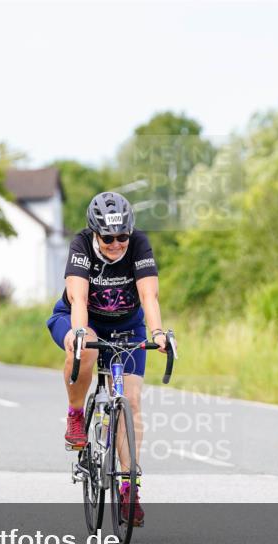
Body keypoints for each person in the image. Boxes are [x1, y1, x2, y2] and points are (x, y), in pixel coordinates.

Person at [45, 192, 168, 527]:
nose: (116, 244)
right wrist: (81, 330)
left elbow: (148, 294)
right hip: (80, 320)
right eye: (108, 237)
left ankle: (130, 487)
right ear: (95, 233)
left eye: (122, 237)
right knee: (84, 345)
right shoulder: (82, 244)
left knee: (132, 401)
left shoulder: (139, 244)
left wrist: (157, 333)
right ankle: (75, 413)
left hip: (127, 327)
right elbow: (78, 296)